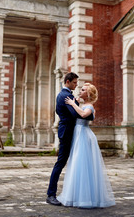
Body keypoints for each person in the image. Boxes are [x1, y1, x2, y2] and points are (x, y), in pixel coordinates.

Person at [57, 83, 116, 208]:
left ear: (88, 94)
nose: (80, 91)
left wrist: (73, 104)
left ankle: (86, 198)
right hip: (78, 135)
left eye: (83, 90)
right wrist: (76, 102)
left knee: (83, 163)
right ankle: (75, 195)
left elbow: (84, 115)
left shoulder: (90, 106)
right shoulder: (83, 104)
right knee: (77, 163)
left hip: (84, 135)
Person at [46, 73, 94, 206]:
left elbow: (58, 111)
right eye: (74, 83)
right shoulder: (67, 96)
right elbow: (77, 114)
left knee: (75, 163)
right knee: (60, 163)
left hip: (70, 131)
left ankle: (77, 193)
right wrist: (89, 113)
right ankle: (51, 194)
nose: (76, 85)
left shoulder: (62, 94)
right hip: (67, 133)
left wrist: (76, 103)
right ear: (67, 82)